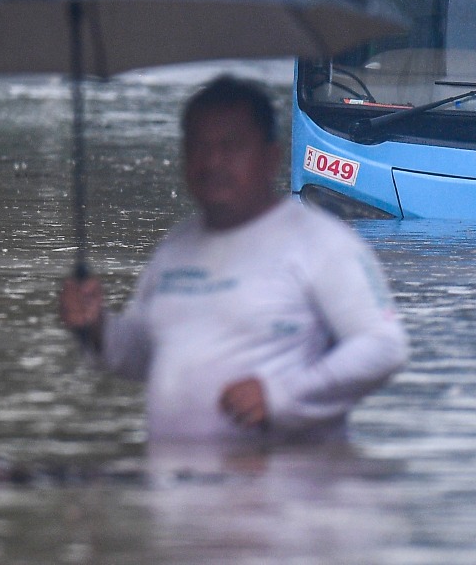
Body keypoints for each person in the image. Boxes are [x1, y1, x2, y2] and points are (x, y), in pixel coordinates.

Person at [58, 76, 407, 443]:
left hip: (289, 489)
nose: (213, 161)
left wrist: (281, 395)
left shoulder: (323, 243)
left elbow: (382, 347)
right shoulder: (175, 248)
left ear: (271, 156)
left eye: (232, 146)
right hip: (177, 487)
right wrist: (95, 326)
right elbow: (142, 355)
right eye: (199, 146)